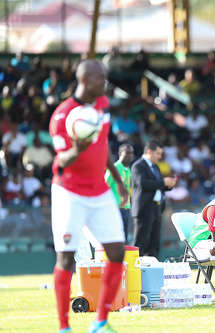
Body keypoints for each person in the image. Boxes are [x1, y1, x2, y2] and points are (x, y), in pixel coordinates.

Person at [49, 59, 129, 333]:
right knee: (66, 258)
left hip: (100, 190)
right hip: (69, 192)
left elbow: (104, 143)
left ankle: (101, 322)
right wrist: (79, 147)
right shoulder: (62, 116)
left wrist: (118, 180)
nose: (104, 84)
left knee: (117, 252)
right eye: (101, 79)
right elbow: (62, 161)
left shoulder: (102, 104)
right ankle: (64, 326)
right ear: (85, 80)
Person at [131, 140, 177, 258]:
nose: (160, 156)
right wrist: (163, 182)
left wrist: (168, 186)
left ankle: (153, 272)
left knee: (154, 244)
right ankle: (136, 273)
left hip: (156, 208)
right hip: (144, 209)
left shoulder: (155, 166)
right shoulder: (138, 166)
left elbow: (157, 185)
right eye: (157, 153)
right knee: (141, 243)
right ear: (149, 151)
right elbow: (143, 184)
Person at [105, 144, 134, 243]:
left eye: (131, 153)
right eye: (127, 153)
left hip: (126, 208)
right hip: (115, 208)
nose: (130, 155)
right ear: (120, 153)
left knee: (124, 239)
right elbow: (105, 185)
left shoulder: (128, 170)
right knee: (115, 239)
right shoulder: (115, 168)